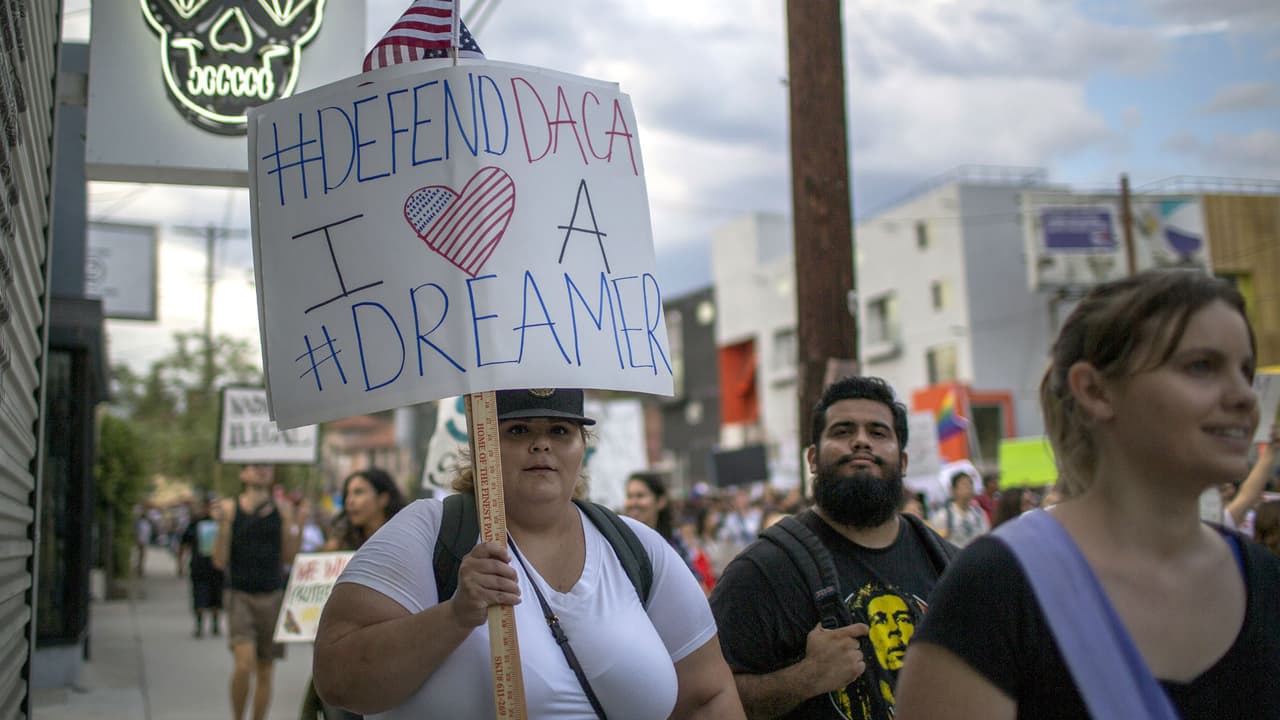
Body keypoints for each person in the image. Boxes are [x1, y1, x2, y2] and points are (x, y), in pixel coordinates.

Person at [895, 269, 1280, 719]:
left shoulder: (1265, 579)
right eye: (1201, 367)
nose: (1244, 397)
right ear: (1095, 391)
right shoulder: (996, 588)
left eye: (1245, 370)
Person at [313, 388, 744, 718]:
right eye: (519, 430)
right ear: (482, 444)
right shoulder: (430, 532)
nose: (542, 445)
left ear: (582, 445)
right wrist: (455, 615)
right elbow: (337, 678)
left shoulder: (637, 548)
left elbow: (710, 695)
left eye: (560, 430)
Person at [710, 375, 956, 719]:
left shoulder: (951, 566)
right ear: (812, 459)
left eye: (878, 432)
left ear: (901, 462)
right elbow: (709, 700)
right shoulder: (761, 572)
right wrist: (806, 677)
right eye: (842, 431)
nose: (861, 442)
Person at [302, 468, 408, 720]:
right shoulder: (337, 548)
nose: (350, 501)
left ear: (383, 498)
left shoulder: (407, 542)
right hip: (346, 660)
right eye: (347, 494)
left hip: (393, 656)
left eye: (359, 492)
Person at [213, 464, 299, 720]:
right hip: (239, 594)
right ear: (242, 474)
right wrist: (224, 524)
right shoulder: (230, 509)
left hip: (272, 595)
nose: (261, 471)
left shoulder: (282, 510)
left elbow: (289, 556)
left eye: (266, 466)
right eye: (254, 466)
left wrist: (294, 523)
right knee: (243, 664)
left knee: (266, 668)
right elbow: (219, 560)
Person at [625, 470, 715, 592]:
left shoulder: (673, 540)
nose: (633, 503)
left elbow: (696, 583)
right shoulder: (621, 540)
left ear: (661, 501)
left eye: (640, 496)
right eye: (629, 496)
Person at [178, 496, 225, 638]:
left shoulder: (221, 524)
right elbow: (184, 544)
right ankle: (200, 625)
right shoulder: (194, 524)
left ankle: (215, 624)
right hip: (200, 567)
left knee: (216, 597)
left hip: (217, 567)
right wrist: (180, 564)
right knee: (199, 596)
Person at [928, 470, 990, 547]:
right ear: (953, 490)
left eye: (971, 484)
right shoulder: (943, 516)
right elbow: (937, 543)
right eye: (964, 484)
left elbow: (986, 537)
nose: (969, 487)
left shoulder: (979, 513)